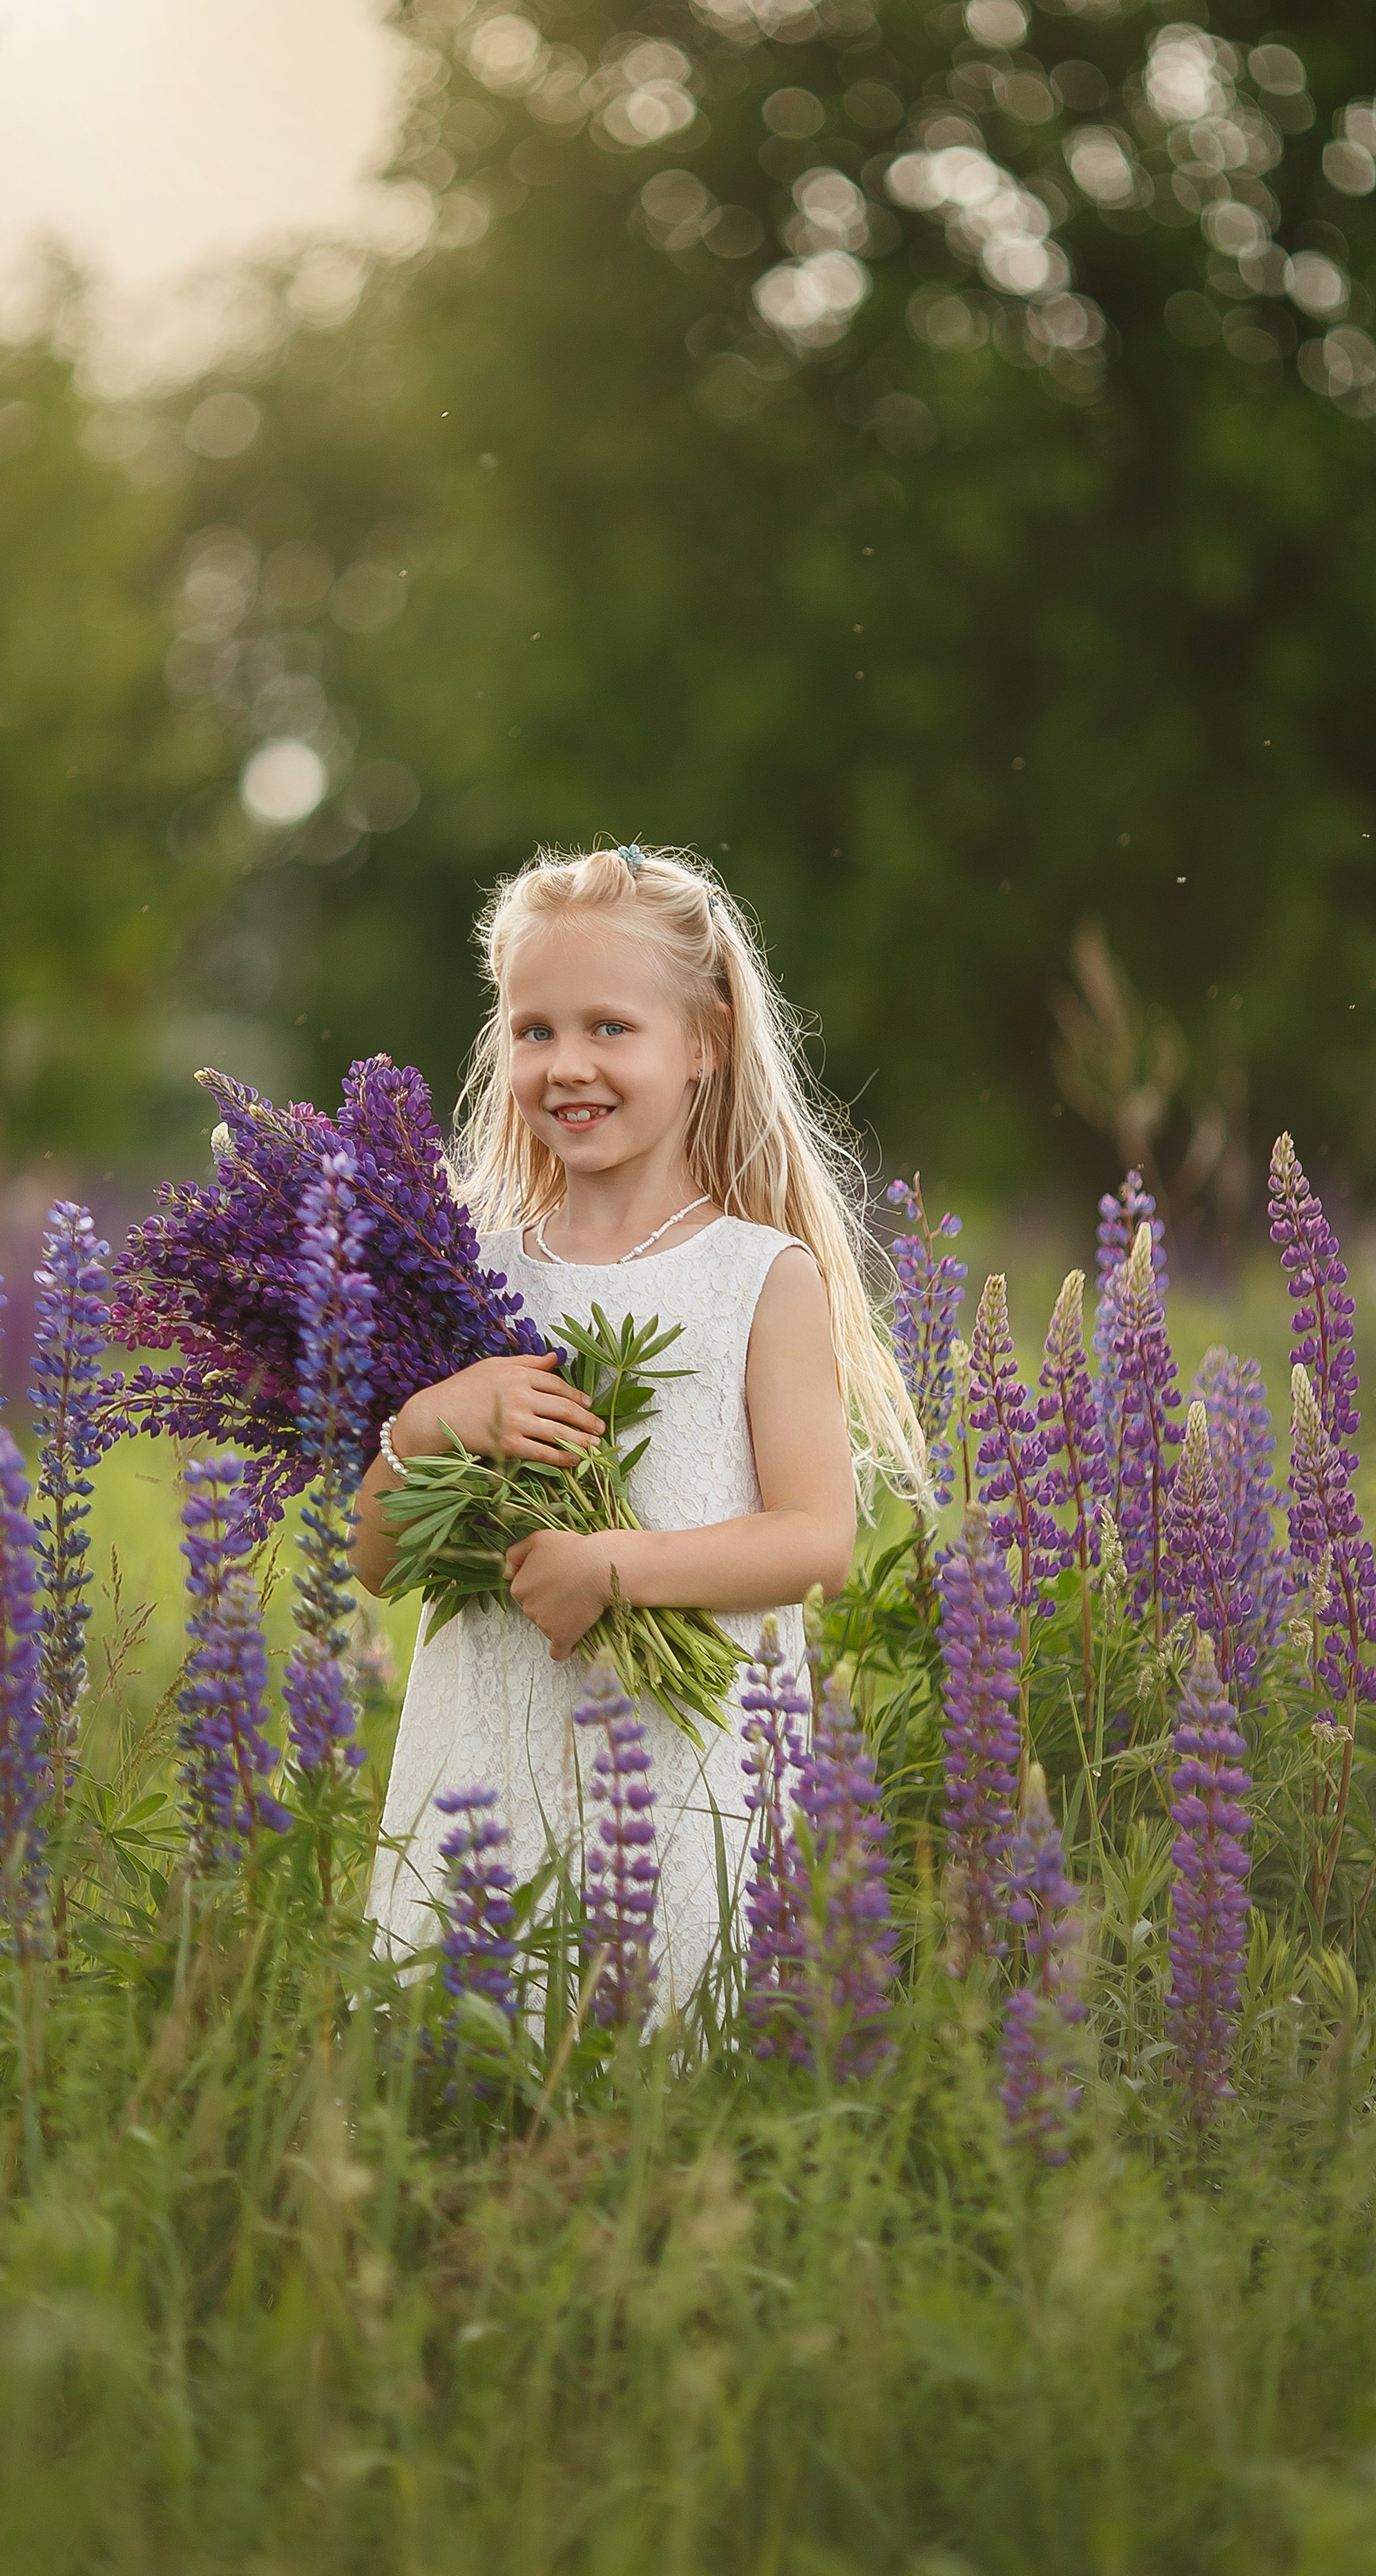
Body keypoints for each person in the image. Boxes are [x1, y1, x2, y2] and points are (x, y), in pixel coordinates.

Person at [352, 844, 924, 2010]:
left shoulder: (760, 1274)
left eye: (611, 1027)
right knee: (466, 2082)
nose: (569, 1065)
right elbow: (371, 1560)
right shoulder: (474, 1277)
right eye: (534, 1030)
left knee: (658, 2079)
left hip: (682, 1761)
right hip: (488, 1756)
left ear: (704, 1040)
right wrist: (427, 1419)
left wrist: (611, 1564)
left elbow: (815, 1539)